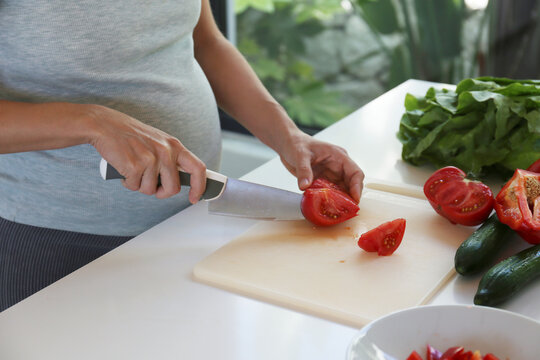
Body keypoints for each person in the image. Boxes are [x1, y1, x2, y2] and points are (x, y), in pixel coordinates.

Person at [0, 0, 364, 312]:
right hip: (59, 243)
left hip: (193, 222)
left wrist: (288, 136)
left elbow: (205, 43)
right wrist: (92, 122)